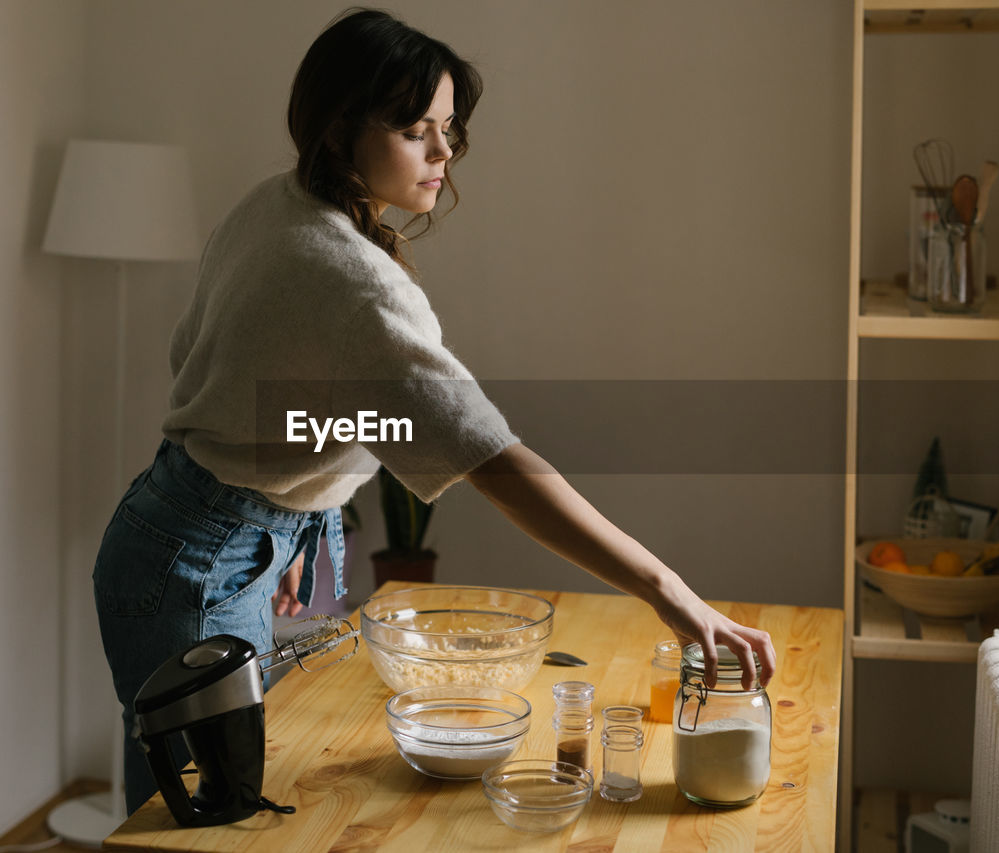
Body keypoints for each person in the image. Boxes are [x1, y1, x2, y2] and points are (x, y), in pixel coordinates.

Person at [94, 7, 776, 814]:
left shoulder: (275, 205)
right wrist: (672, 592)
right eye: (418, 129)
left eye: (448, 128)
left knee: (196, 805)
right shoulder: (352, 284)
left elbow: (215, 375)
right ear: (342, 130)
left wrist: (298, 519)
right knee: (197, 823)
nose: (445, 153)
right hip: (200, 570)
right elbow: (496, 461)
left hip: (182, 536)